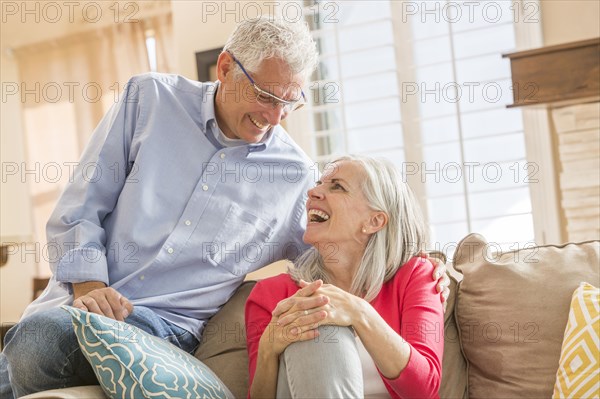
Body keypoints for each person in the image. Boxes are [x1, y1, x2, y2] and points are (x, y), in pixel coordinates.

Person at [0, 17, 448, 399]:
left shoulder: (293, 175)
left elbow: (337, 245)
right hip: (75, 303)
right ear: (227, 66)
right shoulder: (149, 100)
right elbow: (81, 204)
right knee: (34, 340)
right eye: (266, 97)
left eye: (289, 104)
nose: (275, 118)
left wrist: (425, 261)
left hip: (164, 329)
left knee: (37, 342)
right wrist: (89, 287)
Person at [246, 155, 444, 399]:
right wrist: (268, 350)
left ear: (374, 221)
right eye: (319, 183)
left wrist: (359, 313)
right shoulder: (272, 294)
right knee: (317, 324)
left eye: (337, 186)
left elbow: (423, 390)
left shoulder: (417, 276)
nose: (313, 192)